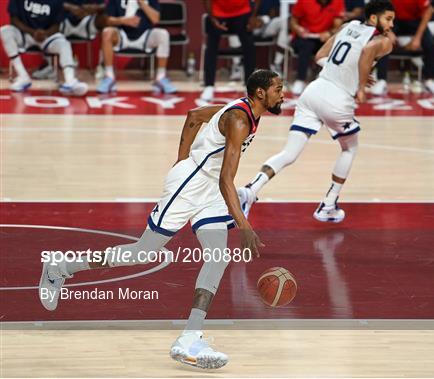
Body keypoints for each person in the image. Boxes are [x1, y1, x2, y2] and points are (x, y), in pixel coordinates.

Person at [38, 69, 284, 370]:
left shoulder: (244, 110)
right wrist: (244, 226)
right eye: (278, 88)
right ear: (260, 93)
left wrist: (181, 158)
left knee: (218, 256)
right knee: (142, 253)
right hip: (192, 185)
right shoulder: (239, 119)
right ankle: (60, 267)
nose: (282, 93)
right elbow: (225, 179)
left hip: (207, 188)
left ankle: (190, 337)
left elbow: (194, 115)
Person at [237, 0, 395, 223]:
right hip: (337, 100)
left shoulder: (346, 26)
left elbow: (320, 56)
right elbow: (367, 52)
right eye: (388, 19)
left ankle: (250, 190)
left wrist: (347, 71)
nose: (391, 24)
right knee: (349, 149)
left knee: (289, 153)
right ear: (373, 18)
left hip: (314, 92)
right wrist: (359, 83)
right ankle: (328, 205)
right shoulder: (383, 41)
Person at [0, 0, 88, 95]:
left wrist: (45, 34)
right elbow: (14, 20)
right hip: (25, 34)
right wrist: (32, 32)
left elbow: (57, 25)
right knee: (5, 31)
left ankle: (70, 80)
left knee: (64, 43)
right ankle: (23, 76)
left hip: (47, 36)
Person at [97, 0, 176, 94]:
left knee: (163, 34)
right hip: (122, 35)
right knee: (107, 32)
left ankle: (161, 77)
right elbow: (107, 20)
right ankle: (109, 77)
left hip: (144, 36)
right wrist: (123, 20)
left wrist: (142, 3)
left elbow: (156, 19)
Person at [370, 0, 434, 95]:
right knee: (383, 40)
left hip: (415, 21)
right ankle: (382, 81)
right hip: (393, 20)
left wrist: (417, 37)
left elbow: (428, 11)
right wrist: (387, 31)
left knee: (429, 44)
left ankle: (429, 81)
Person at [201, 0, 260, 101]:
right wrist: (211, 17)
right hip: (218, 12)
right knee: (211, 45)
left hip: (242, 12)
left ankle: (250, 87)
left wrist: (253, 16)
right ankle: (209, 86)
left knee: (249, 45)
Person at [32, 0, 108, 80]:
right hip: (63, 21)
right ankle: (49, 65)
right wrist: (69, 7)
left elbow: (104, 6)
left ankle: (103, 65)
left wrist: (94, 8)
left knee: (104, 20)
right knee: (47, 16)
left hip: (87, 20)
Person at [289, 0, 345, 95]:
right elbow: (293, 21)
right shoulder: (304, 1)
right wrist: (298, 29)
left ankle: (328, 81)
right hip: (303, 37)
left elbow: (338, 25)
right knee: (306, 45)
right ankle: (300, 80)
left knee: (338, 45)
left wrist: (330, 33)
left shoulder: (338, 2)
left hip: (325, 38)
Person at [228, 0, 284, 80]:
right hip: (244, 24)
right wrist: (249, 21)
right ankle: (237, 65)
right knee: (234, 24)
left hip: (264, 25)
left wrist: (263, 20)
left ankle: (276, 64)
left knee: (282, 22)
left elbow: (275, 13)